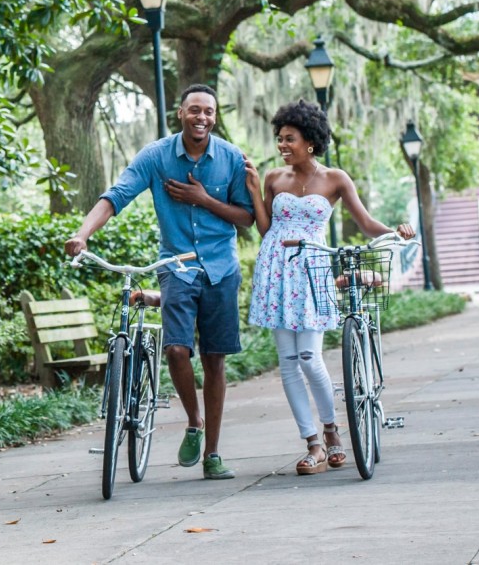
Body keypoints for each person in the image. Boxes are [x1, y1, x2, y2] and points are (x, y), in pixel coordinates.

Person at [64, 84, 254, 480]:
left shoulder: (232, 159)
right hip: (176, 265)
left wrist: (203, 200)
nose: (202, 118)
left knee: (214, 360)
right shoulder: (156, 156)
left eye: (209, 112)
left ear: (214, 118)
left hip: (221, 267)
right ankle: (194, 422)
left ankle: (213, 454)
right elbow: (115, 196)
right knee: (176, 351)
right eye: (194, 110)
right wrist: (83, 235)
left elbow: (246, 217)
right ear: (180, 114)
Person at [243, 99, 415, 476]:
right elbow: (265, 228)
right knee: (287, 362)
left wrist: (395, 232)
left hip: (313, 267)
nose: (282, 145)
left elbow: (366, 223)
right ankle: (313, 444)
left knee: (309, 357)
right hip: (277, 267)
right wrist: (256, 189)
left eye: (289, 139)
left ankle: (334, 431)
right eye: (279, 139)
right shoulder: (275, 177)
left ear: (310, 142)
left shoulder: (336, 179)